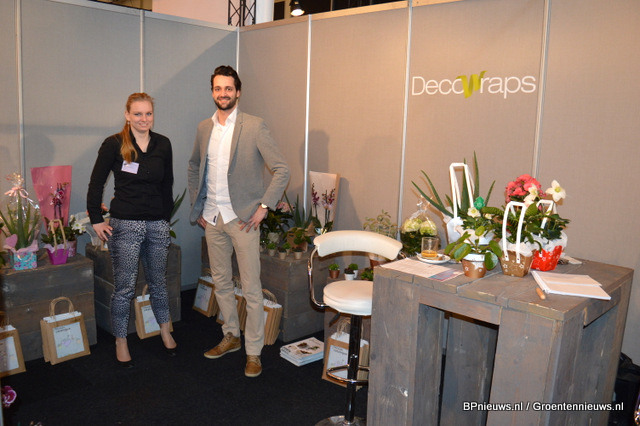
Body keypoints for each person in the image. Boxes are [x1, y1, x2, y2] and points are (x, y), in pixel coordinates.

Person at [188, 65, 290, 378]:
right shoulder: (204, 128)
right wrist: (198, 207)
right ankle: (231, 335)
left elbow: (281, 169)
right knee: (221, 282)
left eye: (228, 88)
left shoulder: (255, 126)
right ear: (212, 92)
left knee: (251, 288)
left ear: (238, 92)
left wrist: (264, 207)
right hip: (213, 218)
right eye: (218, 88)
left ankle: (254, 352)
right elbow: (194, 166)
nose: (223, 94)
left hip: (244, 219)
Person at [87, 92, 177, 368]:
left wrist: (164, 218)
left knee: (158, 281)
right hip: (126, 224)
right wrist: (96, 219)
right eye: (137, 114)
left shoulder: (163, 143)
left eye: (148, 113)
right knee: (125, 287)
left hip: (157, 224)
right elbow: (96, 183)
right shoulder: (114, 144)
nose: (143, 119)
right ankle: (121, 340)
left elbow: (167, 184)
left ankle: (165, 329)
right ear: (127, 115)